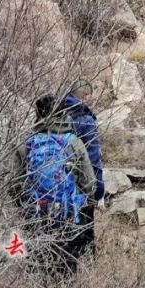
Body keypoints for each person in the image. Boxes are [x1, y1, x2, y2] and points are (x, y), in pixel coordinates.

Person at [11, 95, 96, 275]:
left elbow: (13, 185)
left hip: (35, 214)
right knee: (66, 268)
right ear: (62, 113)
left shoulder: (26, 143)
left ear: (38, 114)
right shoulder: (74, 142)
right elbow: (89, 184)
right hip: (67, 214)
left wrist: (23, 206)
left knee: (37, 266)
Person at [61, 82, 104, 258]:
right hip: (81, 185)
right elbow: (93, 157)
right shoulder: (84, 119)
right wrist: (98, 191)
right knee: (84, 230)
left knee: (63, 230)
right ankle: (85, 268)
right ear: (85, 96)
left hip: (56, 185)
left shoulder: (57, 113)